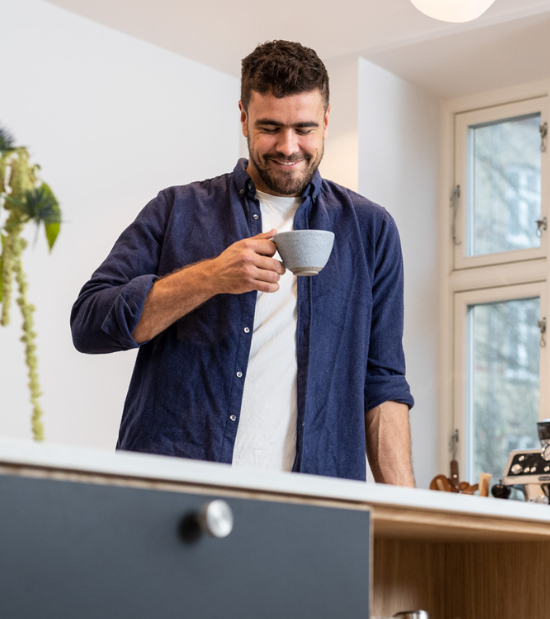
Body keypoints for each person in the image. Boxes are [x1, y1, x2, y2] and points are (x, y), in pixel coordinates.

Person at [71, 40, 415, 486]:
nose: (289, 146)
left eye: (305, 128)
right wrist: (210, 276)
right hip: (176, 493)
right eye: (270, 127)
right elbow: (89, 324)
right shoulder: (178, 209)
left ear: (327, 120)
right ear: (243, 118)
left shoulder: (370, 229)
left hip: (315, 502)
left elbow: (383, 385)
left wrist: (408, 515)